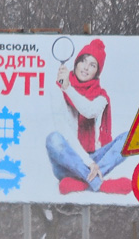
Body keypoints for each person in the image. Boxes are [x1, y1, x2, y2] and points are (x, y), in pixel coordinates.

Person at [45, 39, 130, 194]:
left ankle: (83, 183)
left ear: (97, 72)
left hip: (94, 160)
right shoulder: (57, 88)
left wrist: (68, 88)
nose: (85, 67)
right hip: (69, 163)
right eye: (83, 61)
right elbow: (64, 130)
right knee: (53, 139)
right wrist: (87, 162)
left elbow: (88, 110)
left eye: (92, 65)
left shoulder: (101, 97)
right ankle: (99, 183)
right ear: (76, 62)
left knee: (132, 138)